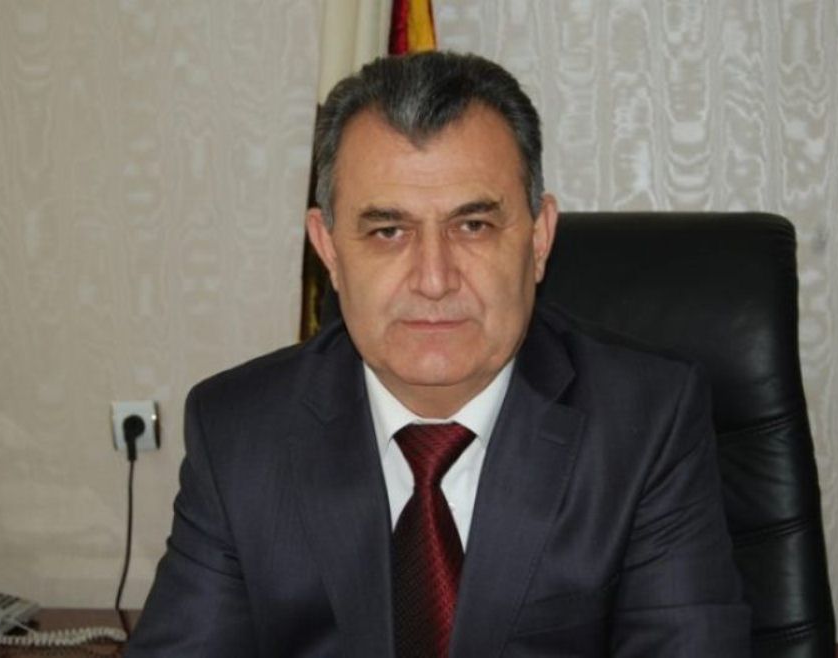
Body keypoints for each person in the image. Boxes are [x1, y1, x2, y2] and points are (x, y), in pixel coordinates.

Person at [126, 51, 750, 657]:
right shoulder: (240, 433)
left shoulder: (646, 423)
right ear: (329, 249)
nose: (433, 279)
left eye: (472, 226)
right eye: (388, 231)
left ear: (539, 239)